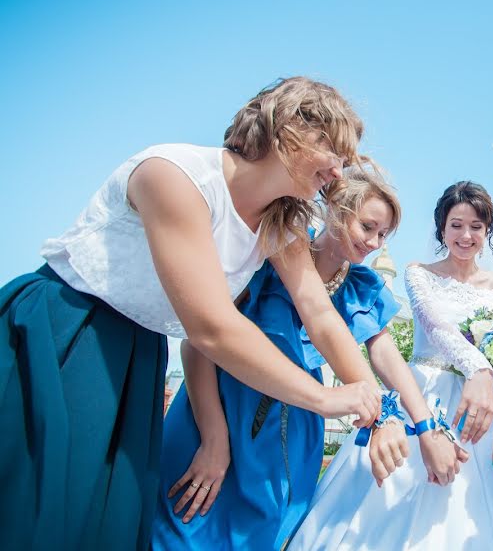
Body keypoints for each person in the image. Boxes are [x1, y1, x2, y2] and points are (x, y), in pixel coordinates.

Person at [0, 77, 384, 550]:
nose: (340, 173)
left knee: (111, 524)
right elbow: (210, 326)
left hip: (141, 352)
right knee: (42, 512)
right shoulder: (174, 175)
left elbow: (319, 313)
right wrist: (324, 399)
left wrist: (372, 402)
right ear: (291, 128)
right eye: (335, 152)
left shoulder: (281, 222)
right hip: (69, 332)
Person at [288, 181, 493, 550]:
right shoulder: (418, 273)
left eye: (476, 226)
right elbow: (436, 327)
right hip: (427, 390)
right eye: (456, 225)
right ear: (442, 228)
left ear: (487, 232)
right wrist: (479, 366)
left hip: (489, 400)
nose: (466, 235)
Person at [152, 165, 460, 550]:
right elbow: (197, 343)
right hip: (220, 408)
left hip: (295, 432)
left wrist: (424, 428)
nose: (374, 243)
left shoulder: (362, 288)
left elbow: (388, 359)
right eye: (368, 227)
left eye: (383, 235)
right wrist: (214, 438)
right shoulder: (270, 254)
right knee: (185, 527)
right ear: (335, 209)